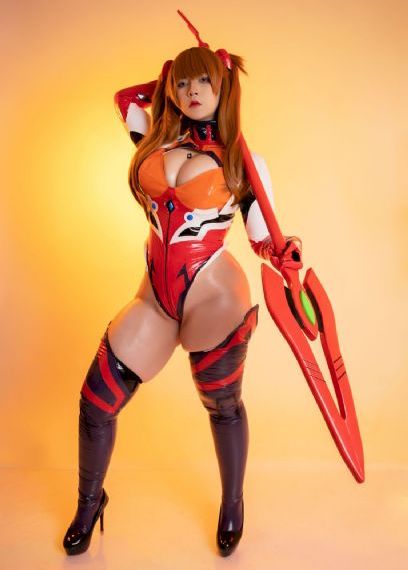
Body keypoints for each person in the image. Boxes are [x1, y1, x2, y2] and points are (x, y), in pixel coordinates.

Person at [63, 44, 302, 558]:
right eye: (184, 83)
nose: (193, 92)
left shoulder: (244, 161)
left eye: (205, 82)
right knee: (95, 403)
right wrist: (169, 81)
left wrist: (285, 251)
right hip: (155, 296)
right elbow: (124, 99)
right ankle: (89, 503)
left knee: (222, 404)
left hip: (213, 294)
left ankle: (233, 504)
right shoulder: (155, 138)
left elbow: (262, 238)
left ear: (224, 88)